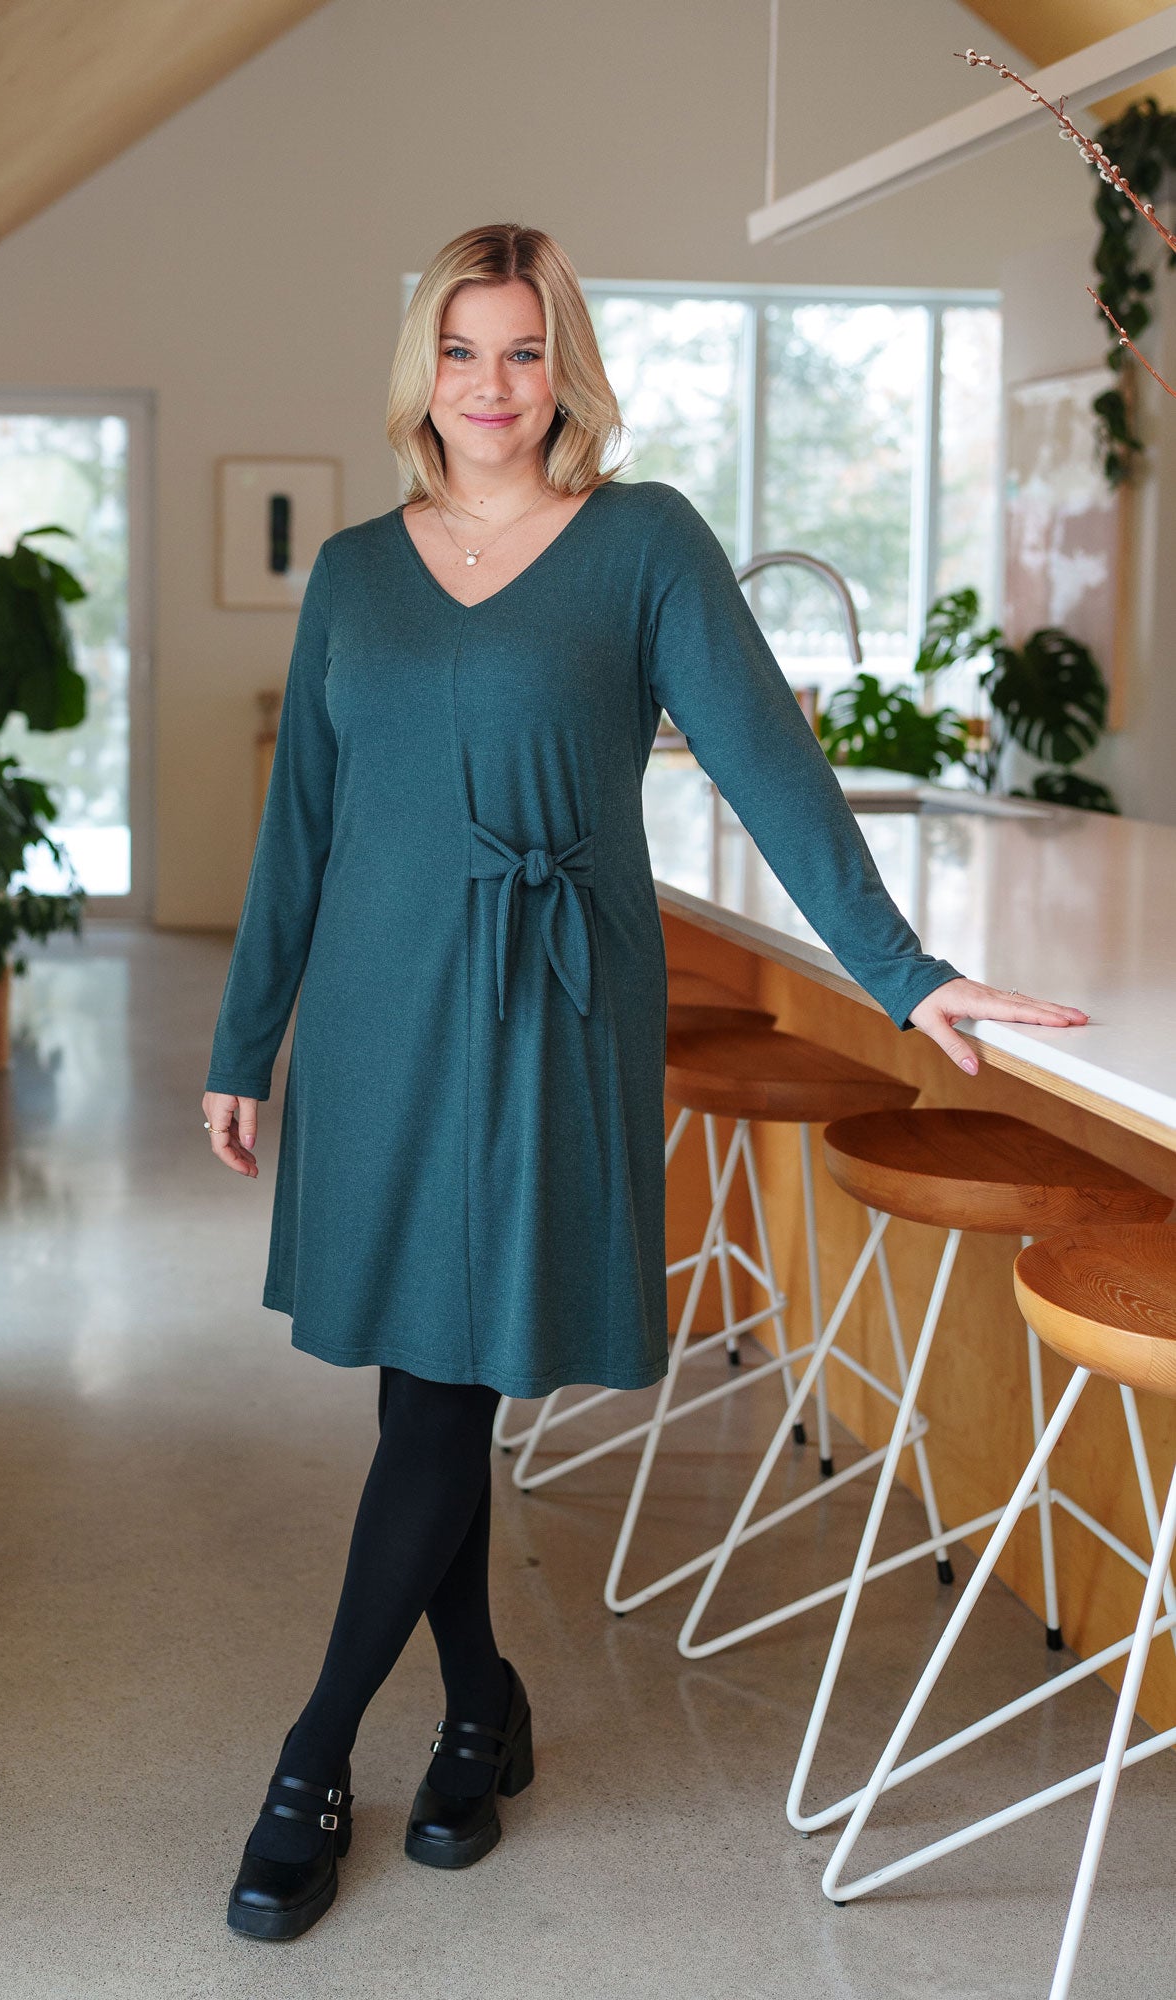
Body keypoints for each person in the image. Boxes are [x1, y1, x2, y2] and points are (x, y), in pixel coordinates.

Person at [201, 222, 1087, 1941]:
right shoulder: (359, 575)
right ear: (422, 372)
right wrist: (246, 1041)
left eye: (521, 352)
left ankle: (312, 1758)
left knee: (451, 1391)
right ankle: (479, 1714)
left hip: (543, 1005)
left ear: (566, 370)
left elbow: (770, 764)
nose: (488, 387)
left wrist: (905, 974)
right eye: (460, 351)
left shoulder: (642, 544)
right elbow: (302, 820)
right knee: (423, 1389)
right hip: (379, 1015)